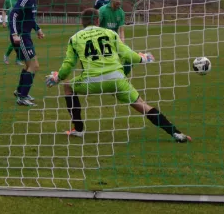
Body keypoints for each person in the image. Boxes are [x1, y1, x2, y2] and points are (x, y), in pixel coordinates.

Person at [45, 8, 192, 143]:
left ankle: (79, 129)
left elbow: (68, 64)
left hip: (91, 81)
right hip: (117, 80)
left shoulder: (75, 38)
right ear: (97, 20)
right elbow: (128, 55)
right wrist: (143, 58)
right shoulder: (110, 33)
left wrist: (58, 78)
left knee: (67, 86)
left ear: (82, 22)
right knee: (142, 105)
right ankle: (176, 133)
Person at [9, 0, 46, 106]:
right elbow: (13, 15)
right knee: (34, 66)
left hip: (26, 36)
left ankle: (20, 91)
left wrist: (38, 29)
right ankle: (22, 97)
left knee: (29, 66)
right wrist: (14, 34)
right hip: (21, 36)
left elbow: (30, 18)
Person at [98, 0, 131, 75]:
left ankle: (123, 77)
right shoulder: (102, 10)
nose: (118, 1)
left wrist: (122, 43)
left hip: (114, 40)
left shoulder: (121, 12)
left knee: (129, 58)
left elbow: (121, 30)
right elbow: (96, 27)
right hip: (101, 41)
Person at [2, 0, 22, 65]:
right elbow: (4, 10)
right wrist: (3, 21)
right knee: (15, 40)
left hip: (20, 22)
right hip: (11, 22)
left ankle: (17, 59)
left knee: (19, 41)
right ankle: (7, 56)